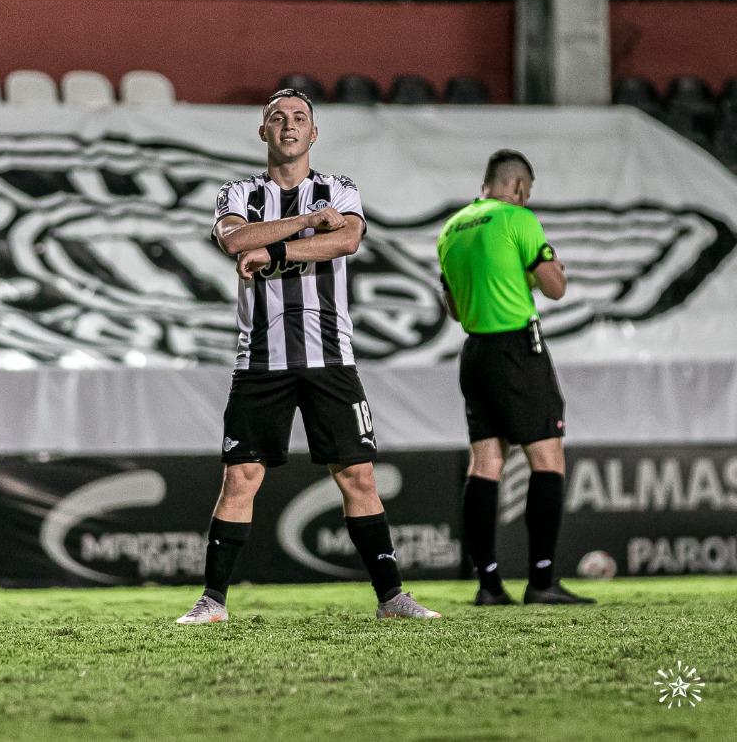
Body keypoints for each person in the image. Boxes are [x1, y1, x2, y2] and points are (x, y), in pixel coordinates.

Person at [176, 88, 442, 623]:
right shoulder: (238, 192)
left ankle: (392, 598)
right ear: (264, 132)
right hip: (260, 362)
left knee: (357, 476)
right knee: (241, 478)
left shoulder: (339, 187)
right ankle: (212, 603)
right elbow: (234, 241)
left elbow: (345, 242)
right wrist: (304, 225)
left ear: (314, 133)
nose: (289, 125)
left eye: (300, 118)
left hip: (330, 359)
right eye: (278, 118)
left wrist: (272, 250)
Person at [436, 149, 594, 606]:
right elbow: (556, 288)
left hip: (475, 353)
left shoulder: (452, 229)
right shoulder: (517, 219)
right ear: (520, 188)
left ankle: (488, 585)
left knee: (485, 466)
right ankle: (542, 580)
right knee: (547, 460)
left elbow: (455, 307)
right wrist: (544, 272)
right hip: (517, 351)